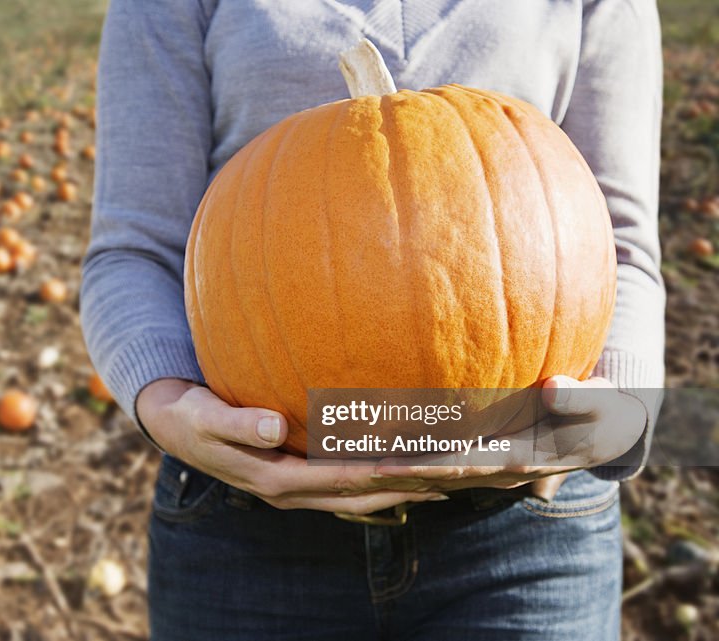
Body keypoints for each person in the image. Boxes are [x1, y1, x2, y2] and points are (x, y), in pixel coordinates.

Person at [81, 1, 664, 639]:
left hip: (524, 526)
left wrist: (618, 414)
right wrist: (168, 409)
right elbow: (132, 251)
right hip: (250, 521)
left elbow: (623, 244)